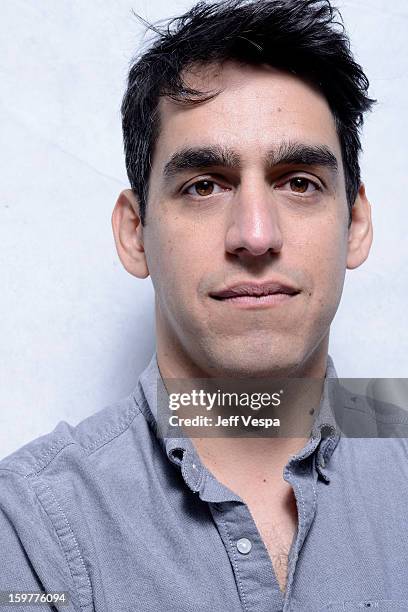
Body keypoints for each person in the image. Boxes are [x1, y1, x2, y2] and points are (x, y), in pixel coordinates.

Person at [1, 1, 407, 610]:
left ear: (354, 223)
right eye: (203, 186)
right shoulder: (30, 527)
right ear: (134, 233)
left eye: (299, 181)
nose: (255, 234)